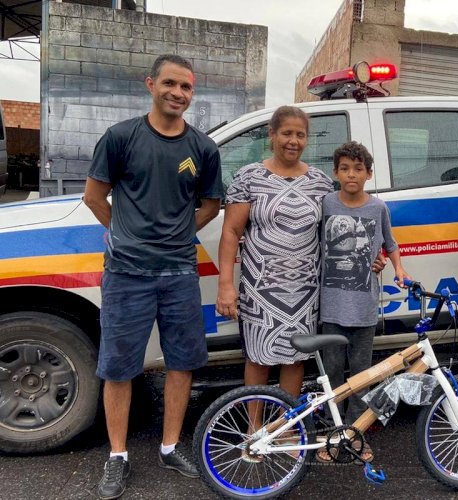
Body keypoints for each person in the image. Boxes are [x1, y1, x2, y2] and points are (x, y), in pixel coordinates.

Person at [83, 54, 222, 500]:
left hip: (180, 270)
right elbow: (94, 196)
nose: (177, 93)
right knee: (119, 367)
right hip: (126, 272)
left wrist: (178, 235)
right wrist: (124, 235)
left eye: (186, 87)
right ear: (150, 84)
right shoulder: (120, 138)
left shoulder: (203, 149)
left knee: (182, 362)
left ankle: (169, 446)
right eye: (169, 84)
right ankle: (118, 456)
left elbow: (211, 205)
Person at [216, 109, 386, 401]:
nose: (293, 141)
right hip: (261, 288)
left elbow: (342, 227)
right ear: (272, 135)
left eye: (300, 135)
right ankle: (255, 432)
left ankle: (286, 429)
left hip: (305, 289)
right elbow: (231, 232)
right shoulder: (249, 177)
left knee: (295, 358)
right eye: (286, 133)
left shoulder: (320, 183)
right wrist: (226, 285)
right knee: (258, 358)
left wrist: (371, 257)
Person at [316, 141, 409, 463]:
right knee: (332, 373)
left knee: (361, 375)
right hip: (331, 307)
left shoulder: (377, 208)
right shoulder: (326, 204)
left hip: (364, 308)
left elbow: (390, 244)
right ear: (335, 173)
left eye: (358, 169)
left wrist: (396, 267)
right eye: (344, 169)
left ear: (369, 174)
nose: (351, 175)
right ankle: (332, 434)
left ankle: (355, 435)